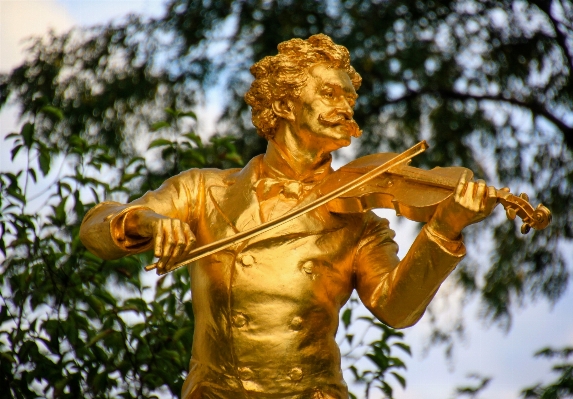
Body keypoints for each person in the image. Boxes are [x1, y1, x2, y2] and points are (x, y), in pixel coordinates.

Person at [80, 34, 497, 399]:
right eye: (330, 95)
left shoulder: (360, 221)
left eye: (349, 98)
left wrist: (445, 226)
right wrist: (145, 222)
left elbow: (396, 308)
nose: (347, 109)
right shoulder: (203, 191)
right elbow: (94, 229)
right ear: (283, 103)